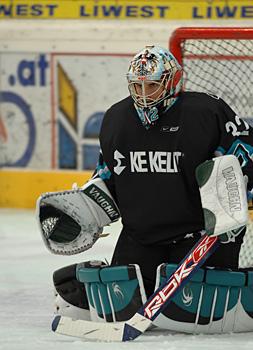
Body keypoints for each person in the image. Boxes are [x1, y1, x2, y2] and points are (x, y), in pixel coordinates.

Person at [38, 45, 253, 332]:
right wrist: (89, 207)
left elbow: (245, 153)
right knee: (119, 305)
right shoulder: (116, 118)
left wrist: (236, 190)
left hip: (202, 235)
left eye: (151, 85)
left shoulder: (207, 111)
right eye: (137, 85)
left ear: (172, 81)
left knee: (197, 313)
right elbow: (108, 174)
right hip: (142, 235)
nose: (143, 93)